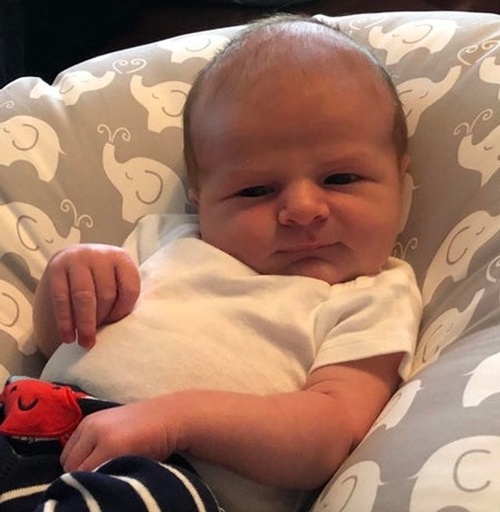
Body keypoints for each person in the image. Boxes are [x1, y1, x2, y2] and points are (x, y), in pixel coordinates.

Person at [23, 13, 421, 512]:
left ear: (400, 182)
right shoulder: (169, 238)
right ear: (201, 199)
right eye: (255, 190)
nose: (302, 209)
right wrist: (70, 278)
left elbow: (330, 433)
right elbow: (58, 340)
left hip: (169, 476)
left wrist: (175, 421)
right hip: (30, 422)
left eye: (341, 179)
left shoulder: (373, 294)